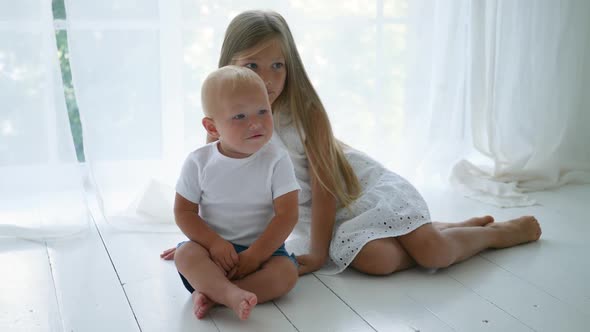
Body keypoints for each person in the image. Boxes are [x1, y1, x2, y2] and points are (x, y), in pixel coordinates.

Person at [163, 10, 541, 280]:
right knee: (377, 262)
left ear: (290, 64)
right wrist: (198, 243)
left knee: (432, 254)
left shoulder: (303, 111)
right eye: (252, 67)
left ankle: (495, 235)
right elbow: (221, 190)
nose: (268, 78)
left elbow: (326, 186)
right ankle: (442, 228)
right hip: (321, 216)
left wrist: (317, 250)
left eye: (277, 65)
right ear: (228, 66)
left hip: (357, 193)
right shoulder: (226, 125)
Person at [173, 65, 300, 320]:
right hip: (213, 253)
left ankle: (214, 294)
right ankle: (225, 293)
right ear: (212, 127)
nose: (255, 122)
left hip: (265, 251)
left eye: (263, 111)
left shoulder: (277, 159)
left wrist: (256, 255)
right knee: (185, 254)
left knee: (286, 274)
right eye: (239, 116)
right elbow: (184, 212)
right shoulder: (199, 162)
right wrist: (213, 243)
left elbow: (287, 215)